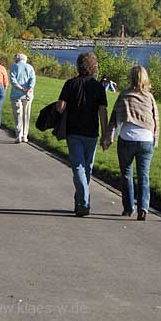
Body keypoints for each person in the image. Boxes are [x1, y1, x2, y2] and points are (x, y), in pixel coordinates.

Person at [102, 65, 160, 220]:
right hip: (146, 140)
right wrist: (155, 139)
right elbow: (155, 120)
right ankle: (143, 208)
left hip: (127, 138)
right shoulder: (149, 97)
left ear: (131, 78)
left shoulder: (124, 95)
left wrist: (108, 138)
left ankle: (128, 208)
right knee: (144, 175)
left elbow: (114, 119)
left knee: (126, 174)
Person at [56, 52, 109, 217]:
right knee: (87, 168)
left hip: (74, 131)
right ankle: (83, 201)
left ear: (79, 65)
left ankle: (81, 201)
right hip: (92, 133)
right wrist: (106, 134)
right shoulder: (98, 87)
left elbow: (60, 107)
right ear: (94, 67)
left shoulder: (70, 84)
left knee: (78, 167)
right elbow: (103, 112)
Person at [9, 53, 36, 143]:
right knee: (26, 115)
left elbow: (13, 81)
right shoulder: (30, 67)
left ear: (17, 59)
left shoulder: (13, 67)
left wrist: (22, 89)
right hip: (28, 95)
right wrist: (28, 90)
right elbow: (32, 80)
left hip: (16, 94)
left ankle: (19, 134)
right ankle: (25, 136)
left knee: (18, 115)